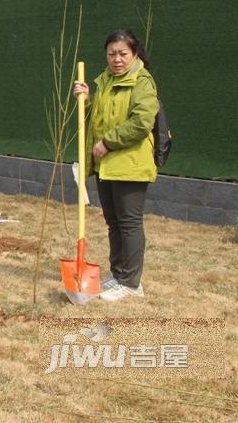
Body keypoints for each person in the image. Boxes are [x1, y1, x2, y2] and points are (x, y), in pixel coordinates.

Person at [73, 30, 158, 302]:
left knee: (129, 223)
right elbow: (98, 120)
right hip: (106, 165)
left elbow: (141, 122)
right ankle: (119, 273)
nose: (117, 59)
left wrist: (108, 143)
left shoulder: (142, 82)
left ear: (134, 54)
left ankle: (132, 283)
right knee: (114, 223)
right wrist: (86, 101)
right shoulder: (106, 81)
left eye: (123, 53)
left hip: (130, 163)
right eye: (112, 54)